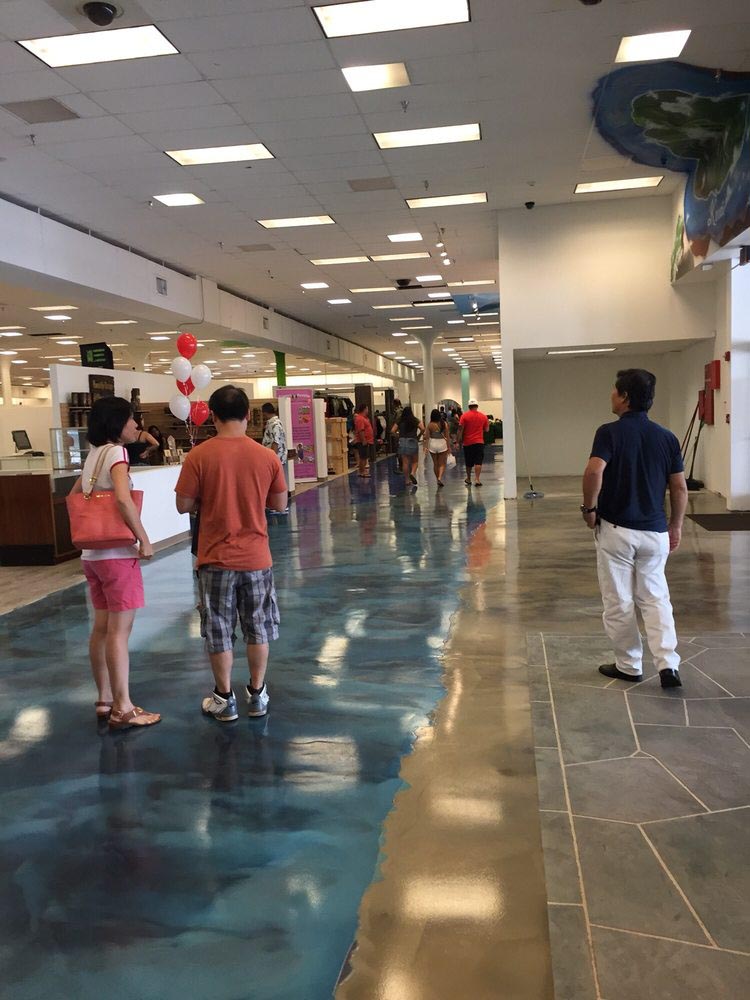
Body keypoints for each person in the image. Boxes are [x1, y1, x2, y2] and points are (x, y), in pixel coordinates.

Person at [175, 385, 287, 722]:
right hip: (256, 558)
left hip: (215, 559)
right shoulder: (266, 456)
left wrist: (207, 499)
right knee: (259, 627)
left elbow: (183, 504)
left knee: (219, 629)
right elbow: (279, 503)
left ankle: (224, 699)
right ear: (248, 415)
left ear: (212, 415)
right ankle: (257, 693)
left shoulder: (198, 456)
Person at [581, 369, 687, 689]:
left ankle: (628, 665)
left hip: (617, 531)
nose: (611, 396)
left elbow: (594, 471)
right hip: (655, 532)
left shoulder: (609, 433)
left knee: (619, 600)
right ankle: (668, 664)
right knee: (656, 598)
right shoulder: (667, 437)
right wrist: (675, 525)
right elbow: (679, 488)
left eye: (615, 391)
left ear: (625, 397)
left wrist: (589, 509)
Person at [68, 396, 160, 730]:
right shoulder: (117, 454)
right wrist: (143, 538)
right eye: (131, 419)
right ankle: (124, 707)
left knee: (102, 628)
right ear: (117, 423)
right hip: (117, 556)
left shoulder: (93, 455)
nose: (136, 425)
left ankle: (105, 699)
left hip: (92, 557)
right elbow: (122, 498)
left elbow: (74, 495)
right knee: (120, 632)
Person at [261, 402, 289, 513]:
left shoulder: (275, 425)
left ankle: (277, 505)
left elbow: (275, 442)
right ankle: (274, 504)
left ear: (265, 412)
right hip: (277, 458)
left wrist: (272, 458)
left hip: (276, 458)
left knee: (275, 482)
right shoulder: (275, 423)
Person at [458, 399, 489, 487]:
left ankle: (468, 478)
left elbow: (460, 429)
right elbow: (487, 429)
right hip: (479, 442)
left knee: (468, 462)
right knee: (478, 461)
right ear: (477, 406)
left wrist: (458, 440)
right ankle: (477, 479)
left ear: (469, 406)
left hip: (467, 442)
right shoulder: (483, 416)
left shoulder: (464, 416)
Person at [392, 405, 424, 487]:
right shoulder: (415, 420)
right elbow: (423, 428)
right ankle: (412, 473)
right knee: (415, 461)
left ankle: (407, 480)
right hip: (412, 441)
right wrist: (419, 436)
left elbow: (392, 431)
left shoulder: (400, 420)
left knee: (405, 462)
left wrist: (398, 436)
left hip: (402, 442)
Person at [425, 408, 451, 487]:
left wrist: (426, 447)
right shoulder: (444, 424)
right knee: (442, 463)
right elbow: (447, 436)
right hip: (442, 444)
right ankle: (439, 477)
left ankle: (437, 479)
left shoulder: (430, 425)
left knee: (435, 464)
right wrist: (449, 447)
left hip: (433, 444)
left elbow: (427, 437)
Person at [354, 402, 374, 478]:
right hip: (362, 441)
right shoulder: (360, 419)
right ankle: (362, 472)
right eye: (367, 409)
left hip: (367, 440)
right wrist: (363, 440)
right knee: (363, 457)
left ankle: (362, 471)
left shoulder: (364, 418)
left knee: (364, 457)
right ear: (364, 409)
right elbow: (361, 430)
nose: (368, 410)